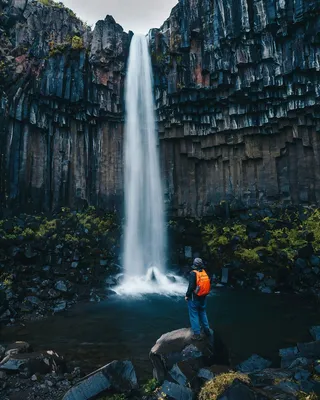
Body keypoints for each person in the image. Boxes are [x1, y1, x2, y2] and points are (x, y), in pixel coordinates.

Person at [185, 258, 211, 340]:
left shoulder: (193, 273)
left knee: (194, 314)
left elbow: (191, 286)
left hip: (194, 298)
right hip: (203, 296)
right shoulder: (204, 272)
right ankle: (207, 330)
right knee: (202, 312)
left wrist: (187, 295)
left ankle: (197, 334)